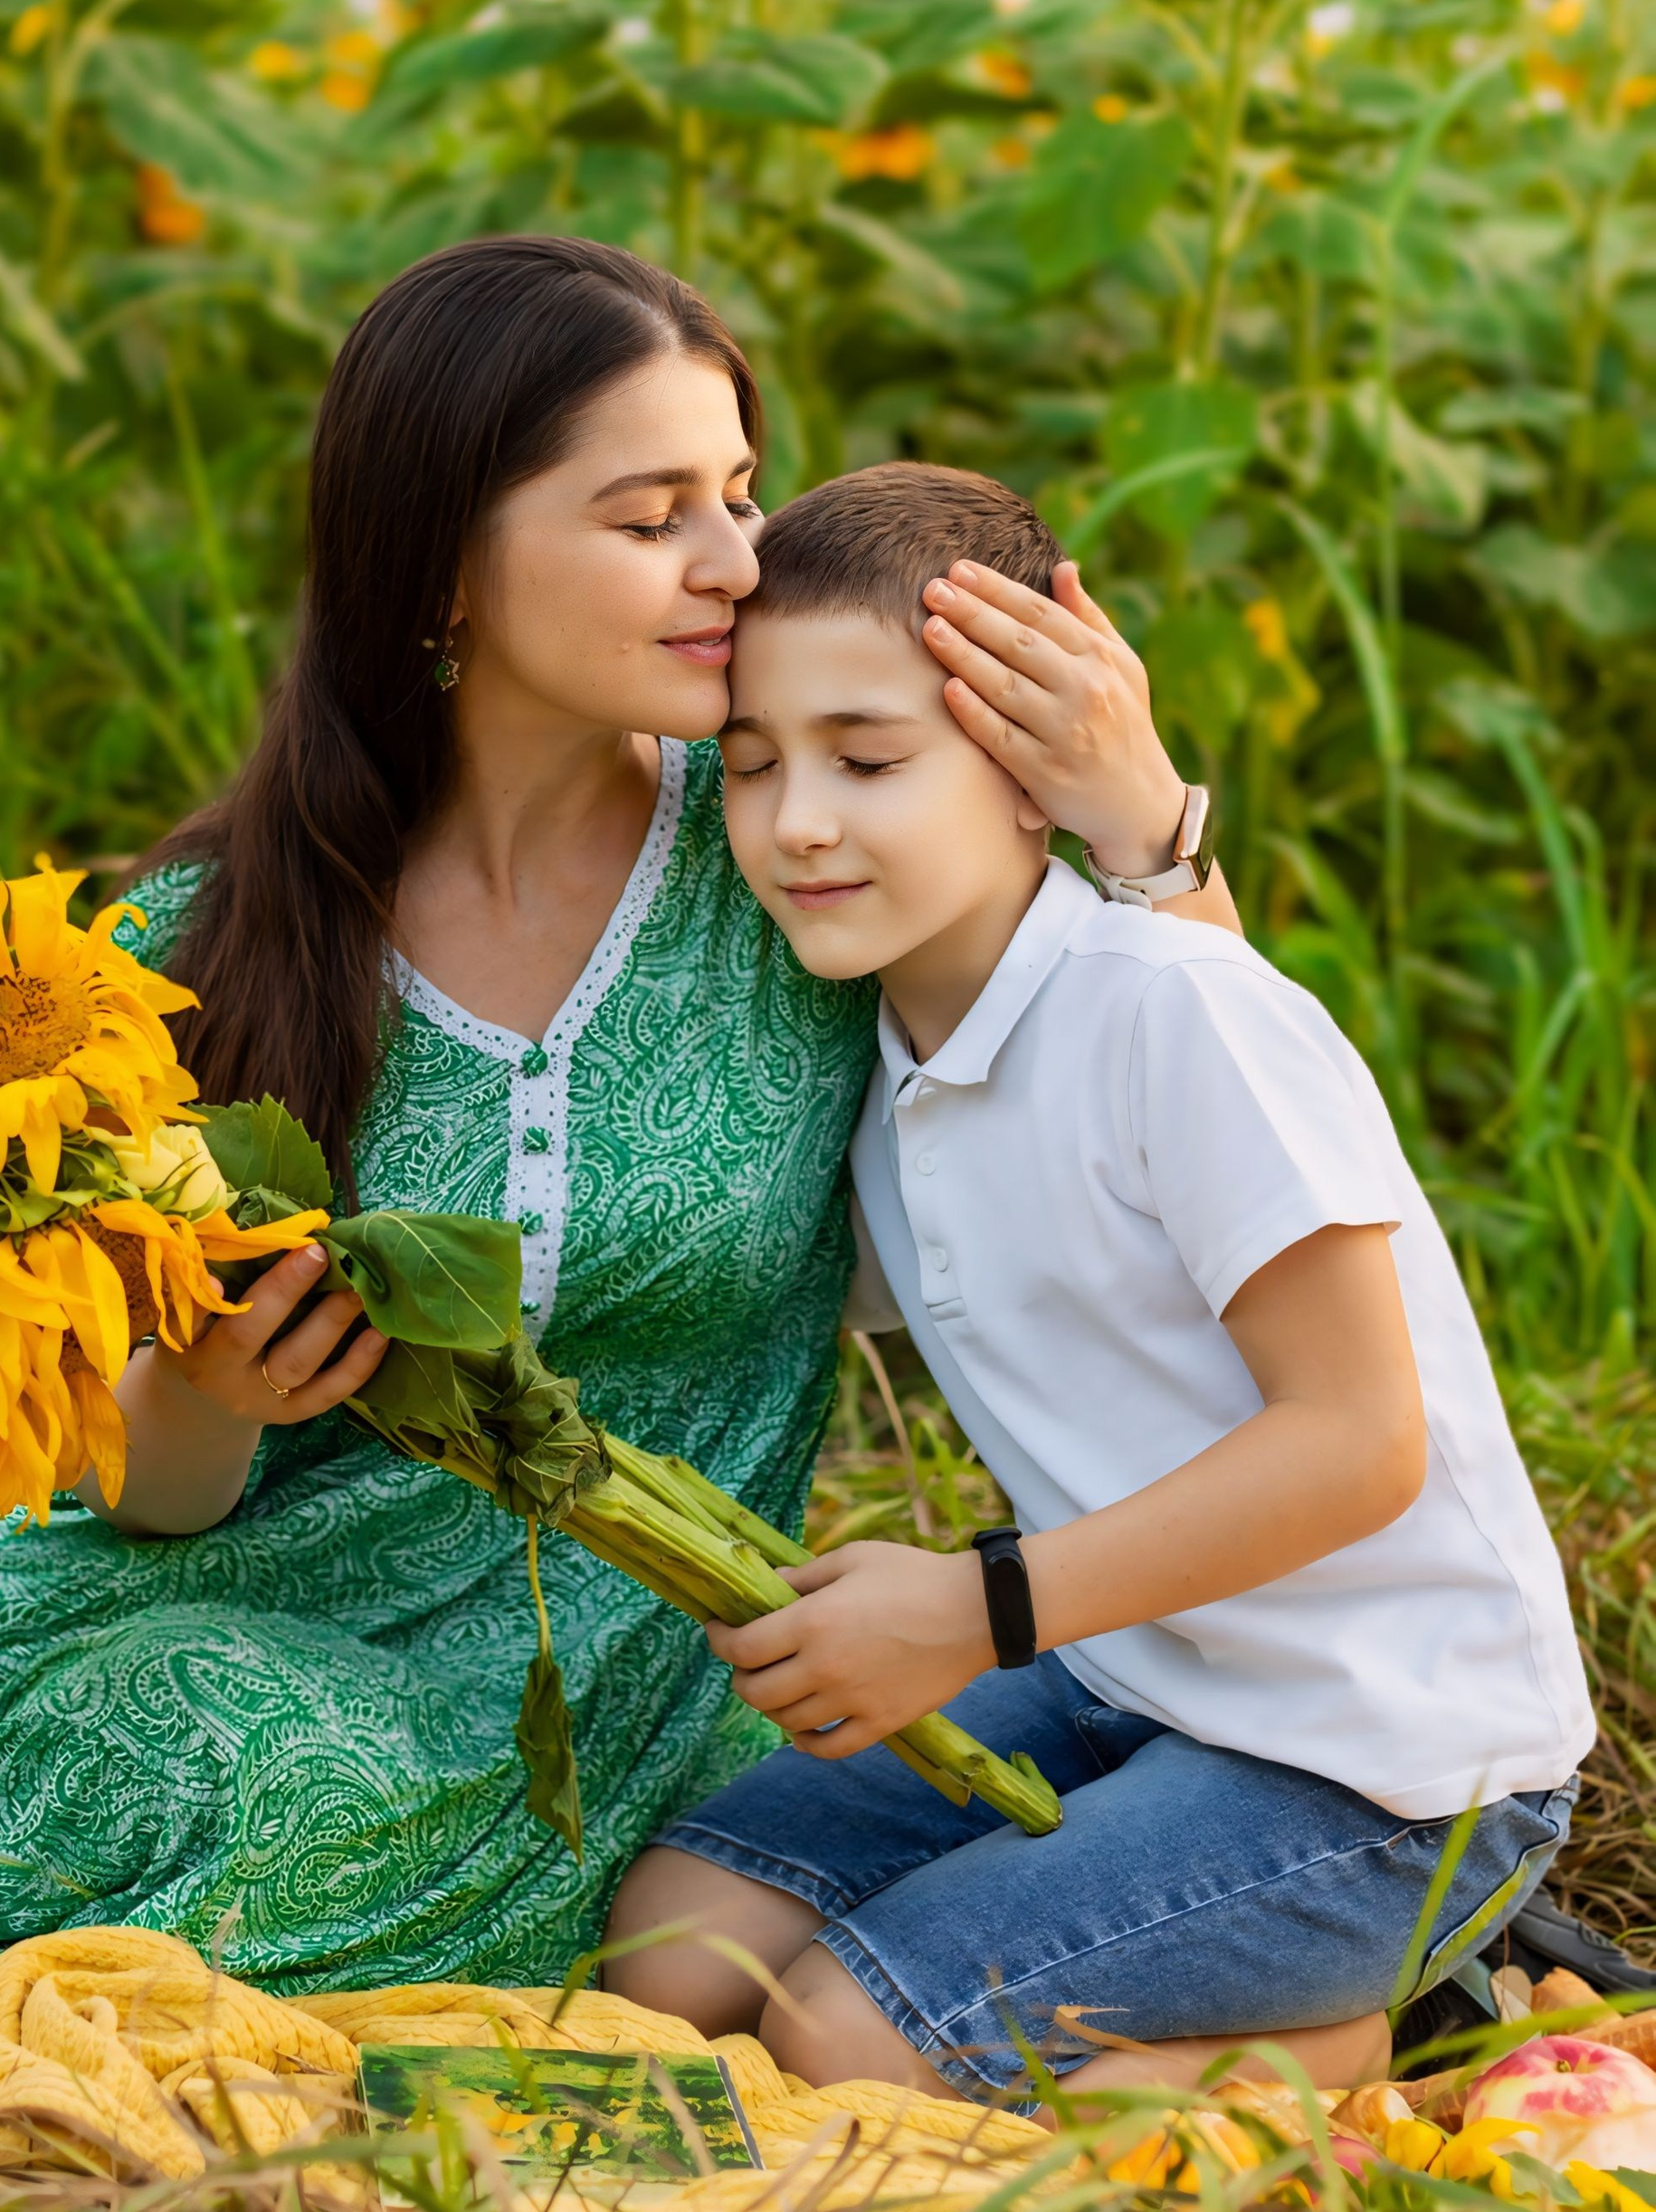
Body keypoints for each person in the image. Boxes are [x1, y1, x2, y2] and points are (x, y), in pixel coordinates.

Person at [0, 241, 1219, 1998]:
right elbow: (152, 1499)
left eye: (740, 495)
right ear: (443, 558)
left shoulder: (788, 847)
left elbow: (1172, 1125)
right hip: (220, 1605)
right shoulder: (194, 950)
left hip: (613, 1690)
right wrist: (210, 1395)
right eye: (649, 515)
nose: (734, 564)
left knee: (272, 1774)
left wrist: (1145, 829)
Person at [608, 462, 1593, 2103]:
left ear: (1026, 768)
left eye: (869, 758)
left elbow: (1365, 1442)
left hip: (1383, 1760)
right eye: (755, 763)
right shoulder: (869, 1054)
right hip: (1130, 1672)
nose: (797, 821)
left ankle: (1386, 2027)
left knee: (853, 2049)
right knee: (672, 1951)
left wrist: (972, 1605)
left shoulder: (1174, 1015)